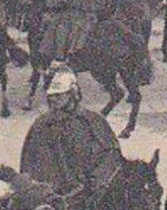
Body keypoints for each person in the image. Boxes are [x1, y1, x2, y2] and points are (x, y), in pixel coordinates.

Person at [19, 69, 122, 197]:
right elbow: (31, 163)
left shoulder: (93, 120)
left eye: (59, 95)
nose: (53, 99)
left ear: (72, 94)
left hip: (91, 193)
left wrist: (95, 181)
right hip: (54, 196)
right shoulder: (42, 125)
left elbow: (111, 154)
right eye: (51, 96)